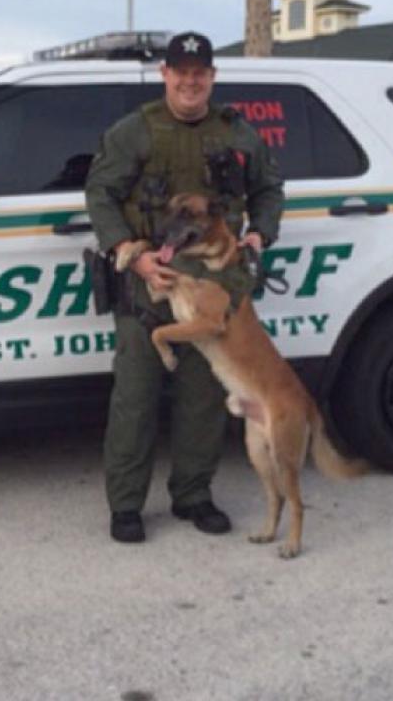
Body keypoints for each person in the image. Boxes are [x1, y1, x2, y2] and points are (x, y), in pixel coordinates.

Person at [84, 30, 285, 544]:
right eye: (181, 73)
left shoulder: (237, 133)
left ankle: (193, 496)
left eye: (200, 73)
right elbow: (100, 193)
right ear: (166, 75)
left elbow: (268, 188)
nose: (190, 82)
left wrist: (262, 230)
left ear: (211, 77)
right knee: (135, 397)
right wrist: (131, 252)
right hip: (150, 283)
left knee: (202, 400)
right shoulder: (137, 131)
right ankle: (126, 506)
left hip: (216, 291)